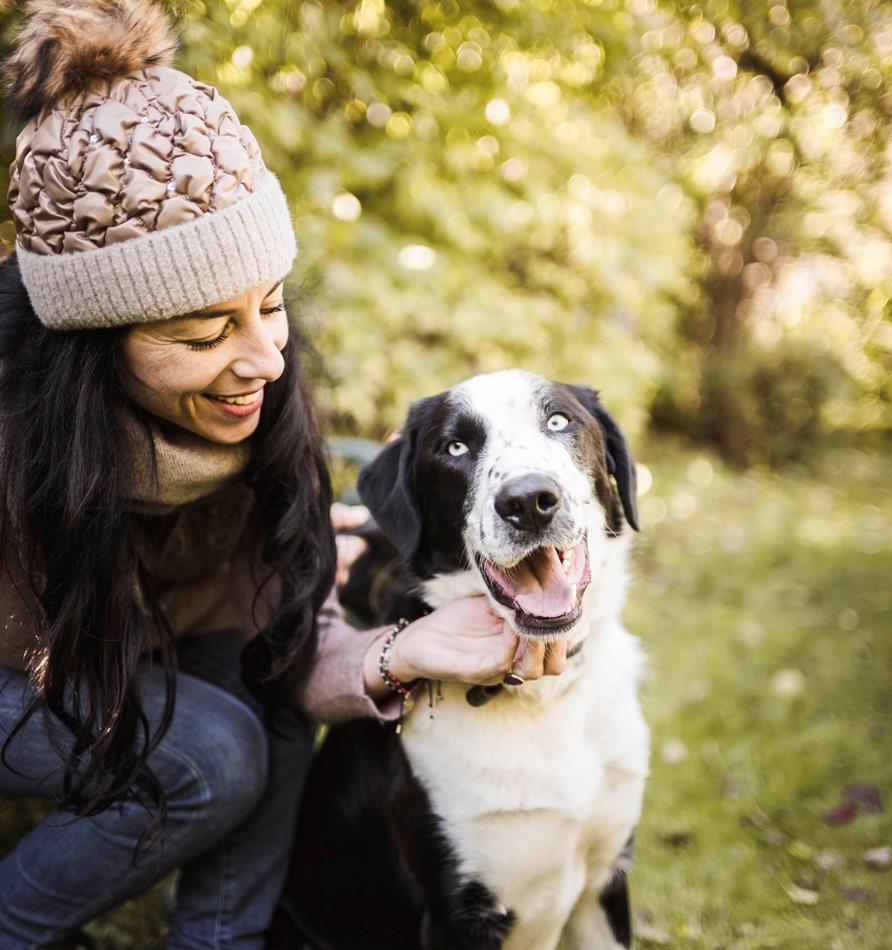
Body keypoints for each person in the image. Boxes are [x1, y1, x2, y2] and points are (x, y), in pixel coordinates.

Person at [0, 1, 567, 947]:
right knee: (212, 754)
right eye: (204, 332)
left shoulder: (255, 416)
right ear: (88, 352)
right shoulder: (19, 432)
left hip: (115, 660)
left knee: (258, 713)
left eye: (269, 306)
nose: (264, 356)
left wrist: (408, 649)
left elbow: (290, 644)